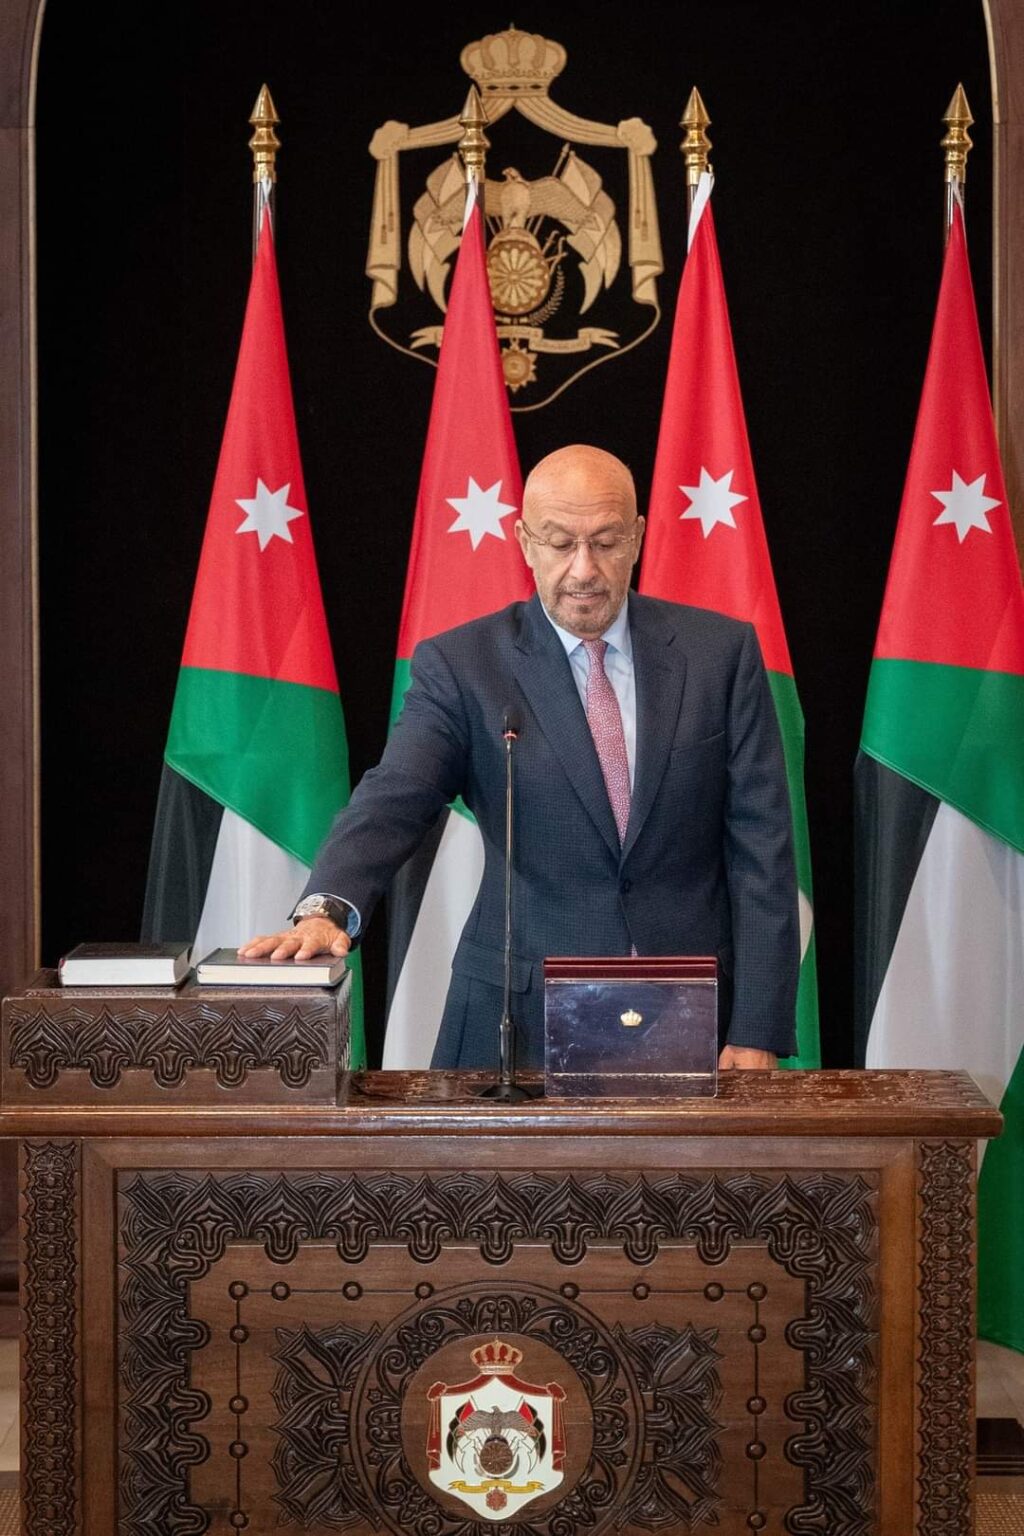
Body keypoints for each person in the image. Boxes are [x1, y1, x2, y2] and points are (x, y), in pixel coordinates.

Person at [240, 445, 799, 1070]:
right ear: (525, 541)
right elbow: (394, 796)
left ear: (639, 538)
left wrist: (758, 1027)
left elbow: (762, 849)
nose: (584, 569)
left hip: (690, 1011)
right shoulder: (464, 664)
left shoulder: (719, 654)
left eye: (606, 542)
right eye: (560, 543)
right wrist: (328, 906)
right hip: (517, 1017)